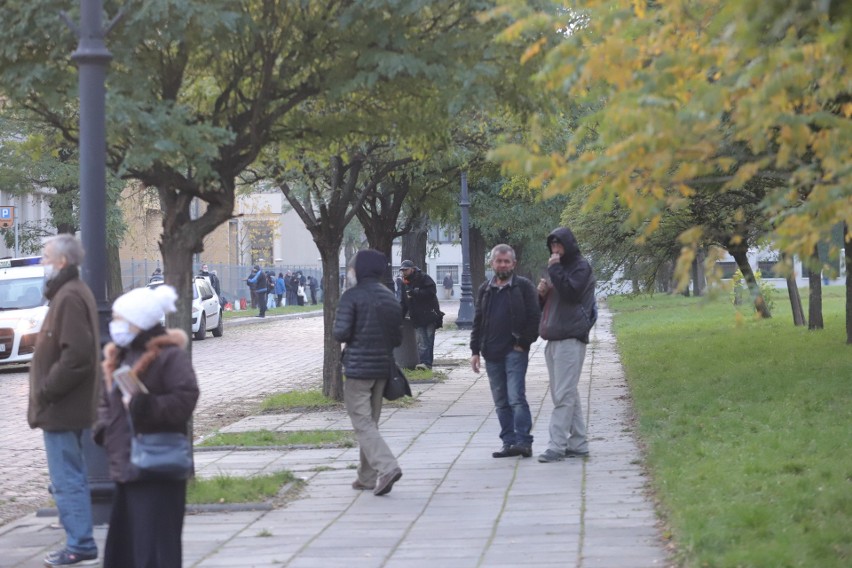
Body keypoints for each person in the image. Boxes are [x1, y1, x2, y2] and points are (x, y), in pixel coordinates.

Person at [94, 284, 199, 568]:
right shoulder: (121, 355)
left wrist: (143, 406)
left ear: (138, 322)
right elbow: (108, 401)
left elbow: (185, 399)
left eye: (119, 319)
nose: (113, 325)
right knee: (127, 549)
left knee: (155, 550)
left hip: (157, 467)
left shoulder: (169, 356)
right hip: (127, 467)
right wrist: (105, 429)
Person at [28, 234, 100, 566]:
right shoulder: (68, 293)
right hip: (65, 406)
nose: (42, 263)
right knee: (68, 476)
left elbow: (77, 357)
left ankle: (80, 543)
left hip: (62, 406)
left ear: (62, 262)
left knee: (66, 478)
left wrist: (47, 389)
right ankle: (78, 538)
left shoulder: (69, 296)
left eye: (45, 257)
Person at [333, 249, 403, 496]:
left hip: (358, 368)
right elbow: (397, 337)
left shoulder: (352, 297)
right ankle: (365, 477)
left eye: (352, 266)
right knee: (370, 422)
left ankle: (387, 467)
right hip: (382, 368)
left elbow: (340, 333)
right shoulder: (390, 297)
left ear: (359, 270)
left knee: (362, 421)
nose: (350, 271)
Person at [470, 244, 541, 459]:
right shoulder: (485, 289)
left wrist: (523, 342)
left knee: (516, 397)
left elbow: (534, 317)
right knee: (501, 401)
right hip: (491, 352)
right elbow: (478, 320)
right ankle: (508, 443)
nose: (502, 265)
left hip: (514, 351)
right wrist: (475, 350)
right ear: (492, 263)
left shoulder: (523, 287)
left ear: (513, 264)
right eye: (498, 261)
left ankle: (523, 442)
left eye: (506, 261)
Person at [537, 227, 597, 463]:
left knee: (562, 394)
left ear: (568, 245)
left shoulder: (580, 266)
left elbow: (572, 292)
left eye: (558, 245)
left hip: (571, 336)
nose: (555, 250)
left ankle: (556, 445)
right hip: (553, 336)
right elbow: (550, 303)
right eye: (552, 246)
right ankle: (579, 443)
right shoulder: (557, 269)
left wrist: (555, 269)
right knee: (566, 392)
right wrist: (541, 295)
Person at [399, 260, 442, 369]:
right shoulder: (404, 283)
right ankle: (424, 363)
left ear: (412, 269)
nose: (404, 272)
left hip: (429, 314)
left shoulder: (423, 278)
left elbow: (431, 292)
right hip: (417, 316)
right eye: (402, 270)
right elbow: (404, 302)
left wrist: (415, 292)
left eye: (406, 270)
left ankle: (427, 363)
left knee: (428, 339)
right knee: (421, 341)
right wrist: (401, 316)